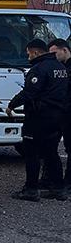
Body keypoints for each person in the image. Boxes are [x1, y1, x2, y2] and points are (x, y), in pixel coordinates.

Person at [8, 39, 68, 202]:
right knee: (51, 153)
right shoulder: (61, 68)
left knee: (32, 154)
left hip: (38, 117)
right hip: (57, 117)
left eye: (28, 53)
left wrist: (11, 105)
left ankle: (31, 189)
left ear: (35, 52)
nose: (28, 57)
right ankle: (58, 188)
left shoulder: (39, 69)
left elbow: (29, 93)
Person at [48, 38, 71, 192]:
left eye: (54, 53)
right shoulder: (61, 67)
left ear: (64, 50)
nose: (53, 57)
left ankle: (68, 183)